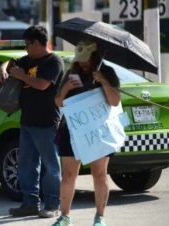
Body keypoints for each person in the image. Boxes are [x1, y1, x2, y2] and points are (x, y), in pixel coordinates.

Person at [0, 25, 63, 218]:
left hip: (47, 121)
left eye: (27, 44)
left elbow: (42, 85)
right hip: (27, 120)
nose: (26, 48)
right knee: (26, 164)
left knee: (51, 166)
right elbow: (11, 63)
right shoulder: (28, 60)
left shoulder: (54, 61)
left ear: (36, 43)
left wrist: (22, 75)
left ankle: (52, 204)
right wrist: (4, 68)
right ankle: (30, 203)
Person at [53, 40, 121, 226]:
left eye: (86, 59)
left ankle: (100, 217)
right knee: (68, 174)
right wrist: (67, 88)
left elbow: (115, 102)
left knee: (99, 174)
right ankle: (64, 217)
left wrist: (104, 82)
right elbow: (58, 102)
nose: (83, 63)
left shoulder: (107, 72)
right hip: (71, 129)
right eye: (80, 59)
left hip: (97, 131)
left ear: (95, 56)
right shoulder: (71, 73)